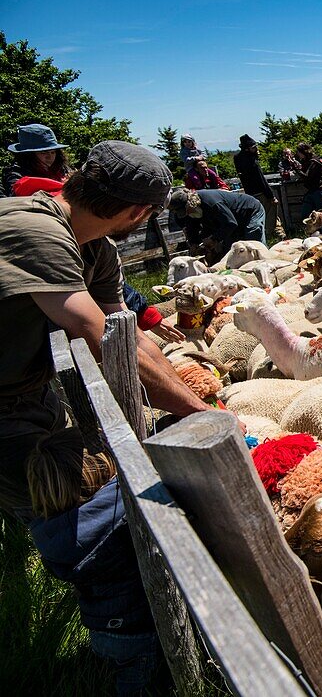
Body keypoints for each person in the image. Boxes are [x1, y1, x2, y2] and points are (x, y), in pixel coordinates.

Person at [0, 141, 211, 693]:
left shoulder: (96, 250)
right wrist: (199, 414)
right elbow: (95, 332)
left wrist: (194, 399)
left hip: (27, 388)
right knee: (81, 531)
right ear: (139, 212)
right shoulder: (34, 231)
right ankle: (129, 662)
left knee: (69, 503)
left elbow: (128, 334)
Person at [168, 187, 266, 265]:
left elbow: (230, 223)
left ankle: (265, 263)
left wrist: (214, 239)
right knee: (231, 249)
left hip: (250, 211)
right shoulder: (191, 211)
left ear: (190, 204)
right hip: (231, 219)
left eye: (186, 211)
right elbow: (192, 228)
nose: (187, 214)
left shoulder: (212, 203)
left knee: (253, 240)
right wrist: (194, 244)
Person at [233, 134, 285, 241]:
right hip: (261, 193)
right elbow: (261, 180)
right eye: (253, 147)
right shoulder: (252, 161)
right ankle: (271, 235)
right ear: (248, 149)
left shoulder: (238, 159)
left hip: (250, 194)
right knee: (271, 214)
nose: (256, 149)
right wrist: (271, 196)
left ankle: (273, 234)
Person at [3, 124, 73, 198]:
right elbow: (18, 197)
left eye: (53, 152)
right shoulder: (16, 174)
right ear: (28, 155)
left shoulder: (64, 170)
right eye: (43, 152)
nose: (50, 157)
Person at [294, 142, 322, 217]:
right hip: (311, 191)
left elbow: (307, 177)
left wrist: (297, 169)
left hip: (319, 192)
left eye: (298, 152)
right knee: (305, 215)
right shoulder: (306, 161)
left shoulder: (314, 162)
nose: (298, 154)